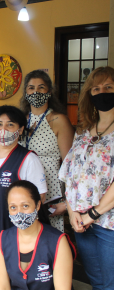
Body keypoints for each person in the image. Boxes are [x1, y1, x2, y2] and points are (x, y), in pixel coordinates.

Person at [0, 105, 48, 289]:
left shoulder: (29, 159)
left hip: (16, 234)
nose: (3, 130)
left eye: (10, 125)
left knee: (17, 279)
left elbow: (40, 197)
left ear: (20, 129)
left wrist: (21, 220)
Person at [59, 66, 114, 290]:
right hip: (81, 223)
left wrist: (93, 214)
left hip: (108, 224)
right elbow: (69, 174)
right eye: (96, 88)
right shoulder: (84, 131)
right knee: (96, 281)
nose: (102, 92)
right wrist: (73, 213)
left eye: (109, 87)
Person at [19, 70, 74, 232]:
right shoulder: (20, 120)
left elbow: (70, 165)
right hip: (22, 186)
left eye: (41, 87)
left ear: (49, 92)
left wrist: (67, 202)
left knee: (48, 237)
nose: (36, 91)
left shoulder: (58, 120)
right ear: (25, 93)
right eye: (31, 88)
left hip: (49, 189)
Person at [0, 180, 75, 290]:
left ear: (37, 205)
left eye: (25, 206)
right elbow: (2, 287)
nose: (19, 213)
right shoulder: (2, 240)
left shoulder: (57, 241)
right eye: (13, 207)